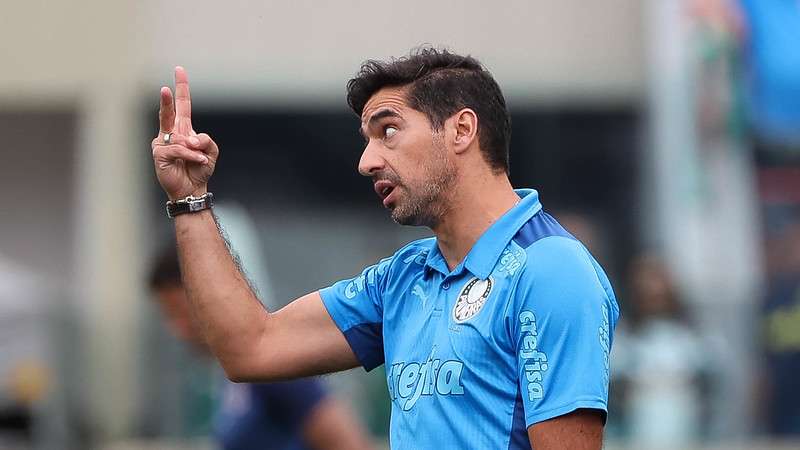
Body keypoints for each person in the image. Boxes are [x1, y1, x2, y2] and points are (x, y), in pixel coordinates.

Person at [149, 48, 620, 449]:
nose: (366, 161)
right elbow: (250, 348)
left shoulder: (551, 269)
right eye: (367, 140)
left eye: (388, 130)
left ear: (462, 131)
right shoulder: (403, 277)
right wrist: (188, 199)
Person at [148, 241, 375, 450]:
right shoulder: (232, 374)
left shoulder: (271, 368)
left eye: (180, 313)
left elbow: (349, 444)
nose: (176, 328)